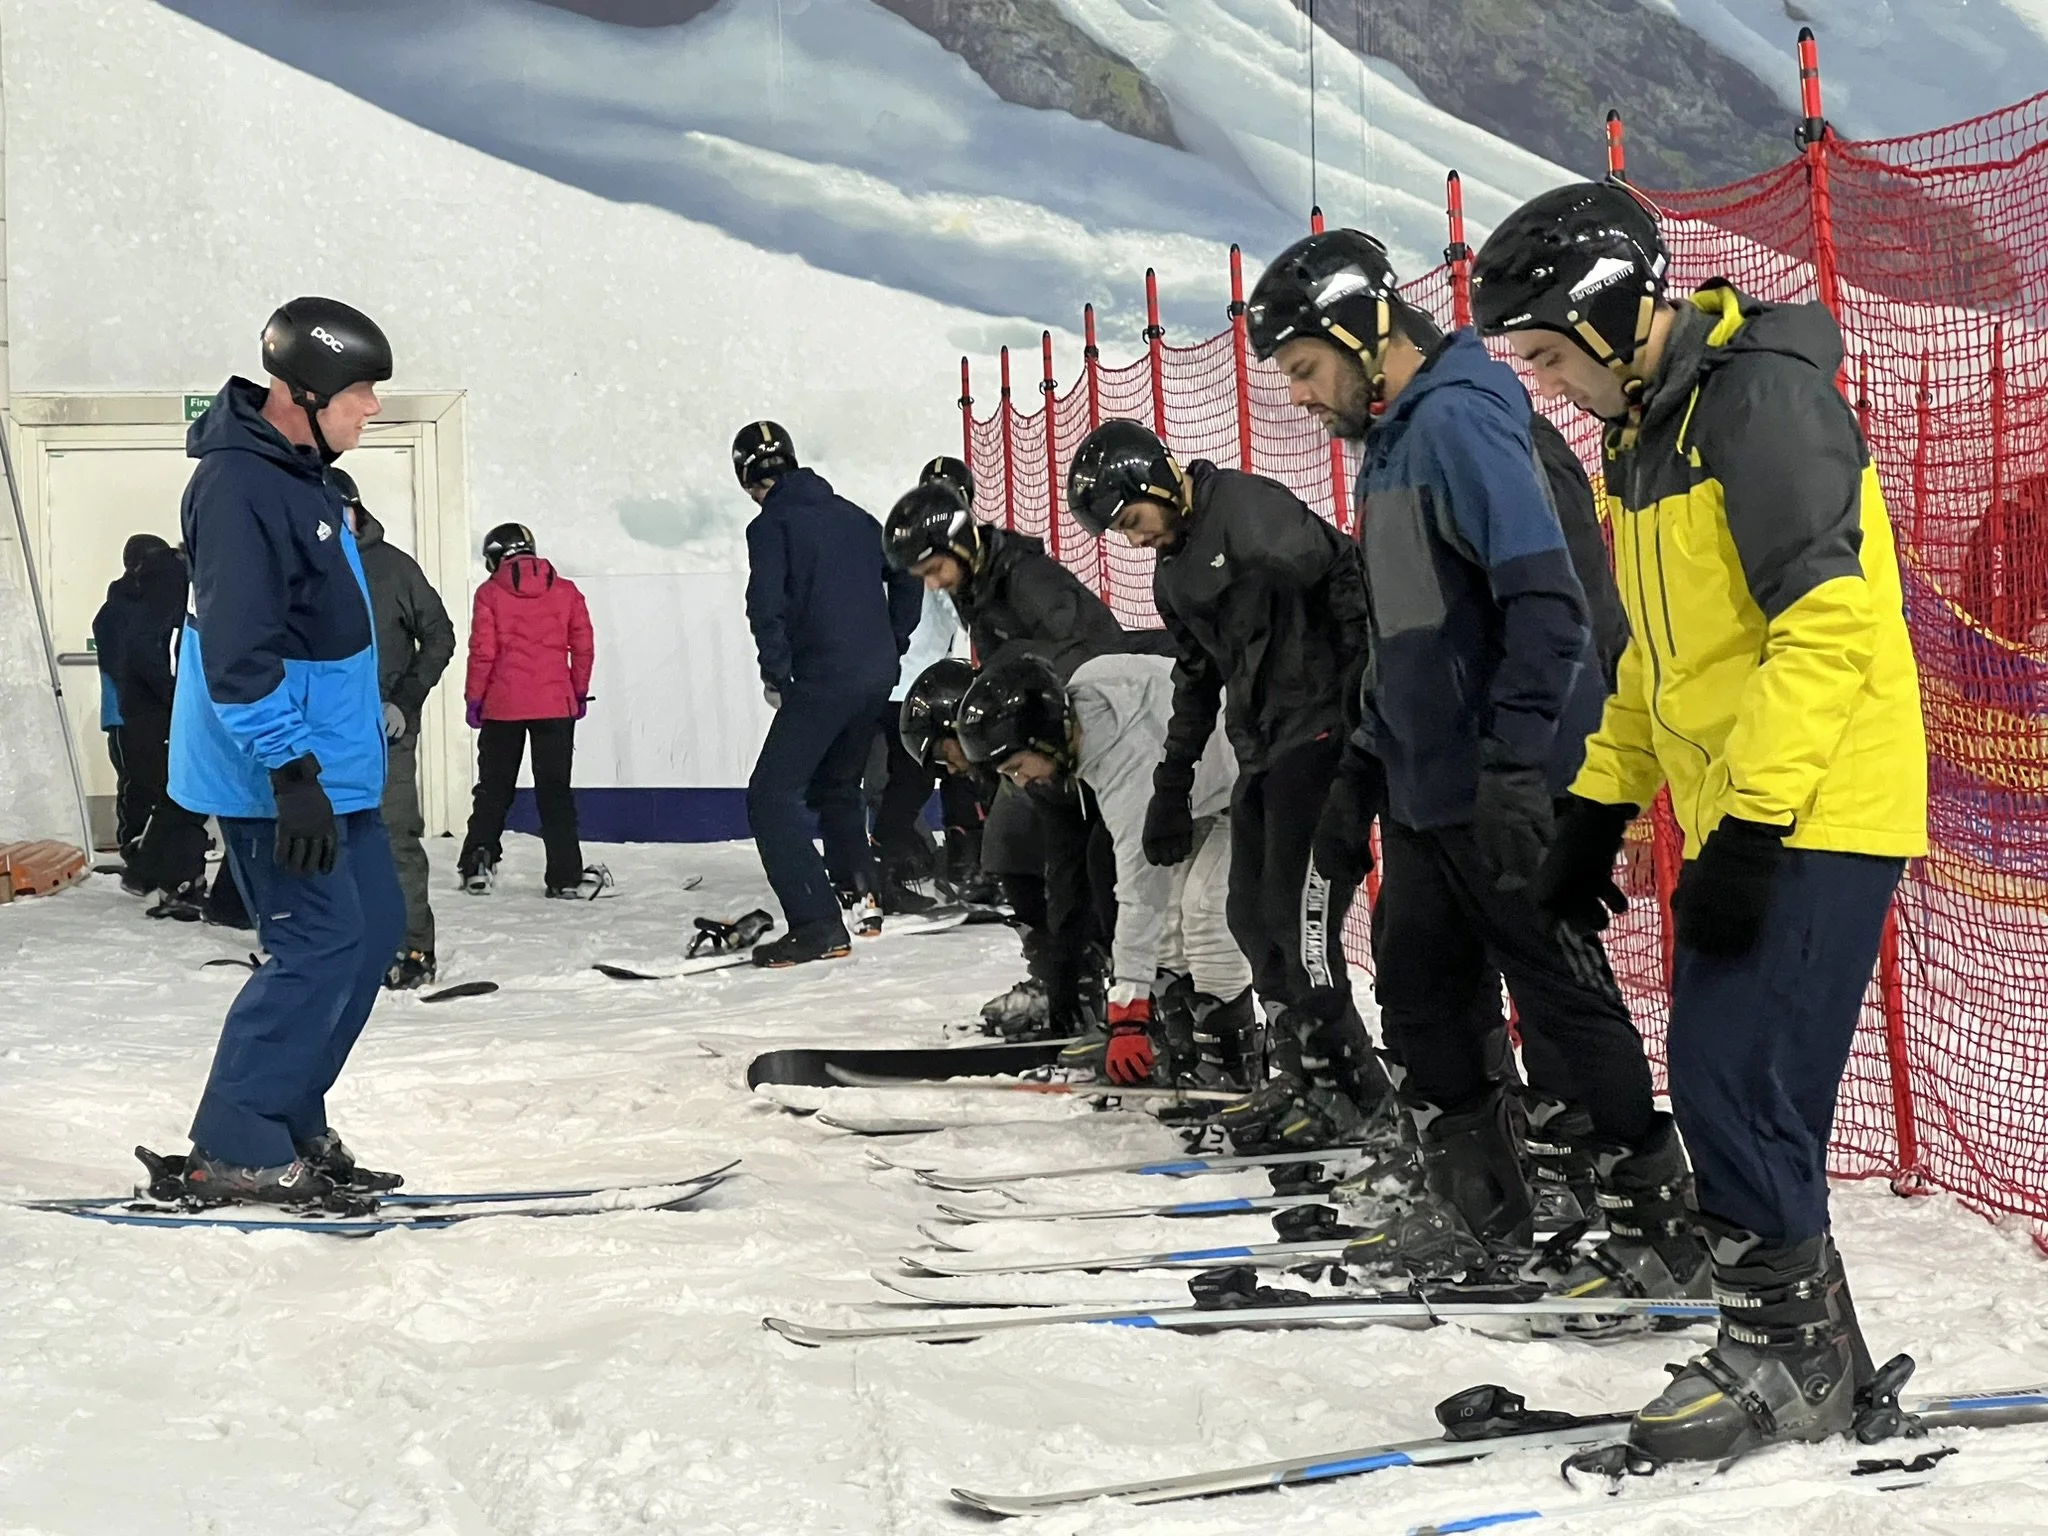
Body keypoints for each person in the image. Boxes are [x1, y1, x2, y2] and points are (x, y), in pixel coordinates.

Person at [1473, 181, 1927, 1466]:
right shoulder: (1646, 435)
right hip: (1753, 803)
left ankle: (1788, 1359)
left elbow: (1827, 626)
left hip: (1818, 801)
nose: (1551, 384)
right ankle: (1802, 1342)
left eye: (1553, 355)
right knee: (1733, 1079)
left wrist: (1755, 828)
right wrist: (1593, 807)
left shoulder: (1758, 404)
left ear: (1615, 320)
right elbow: (1655, 662)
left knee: (1739, 1082)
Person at [1243, 227, 1691, 1283]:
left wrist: (1511, 765)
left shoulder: (1457, 424)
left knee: (1563, 1004)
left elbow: (1547, 607)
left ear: (1364, 332)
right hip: (1425, 783)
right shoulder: (1393, 444)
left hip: (1505, 778)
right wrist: (1361, 765)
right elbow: (1409, 634)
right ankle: (1480, 1203)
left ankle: (1656, 1226)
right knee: (1421, 1000)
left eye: (1305, 369)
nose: (1300, 397)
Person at [1064, 420, 1392, 1149]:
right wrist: (1171, 786)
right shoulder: (1174, 572)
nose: (1133, 538)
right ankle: (1307, 1074)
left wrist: (1363, 716)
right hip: (1265, 745)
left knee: (1301, 924)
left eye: (1131, 520)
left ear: (1154, 483)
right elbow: (1195, 675)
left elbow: (1347, 579)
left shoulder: (1246, 514)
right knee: (1250, 916)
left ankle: (1360, 1097)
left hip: (1323, 734)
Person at [168, 297, 403, 1205]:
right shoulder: (237, 487)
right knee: (317, 948)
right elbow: (237, 655)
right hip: (276, 771)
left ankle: (292, 1118)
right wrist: (290, 773)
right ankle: (233, 1141)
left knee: (372, 933)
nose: (372, 408)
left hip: (332, 768)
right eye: (361, 392)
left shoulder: (306, 474)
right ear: (302, 393)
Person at [884, 481, 1151, 1037]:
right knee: (1024, 858)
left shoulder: (1027, 577)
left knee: (1095, 866)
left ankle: (1118, 991)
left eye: (934, 569)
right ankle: (1067, 980)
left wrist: (1008, 677)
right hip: (1049, 748)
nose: (933, 585)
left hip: (1096, 743)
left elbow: (1096, 649)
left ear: (959, 545)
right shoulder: (979, 587)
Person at [956, 653, 1251, 1086]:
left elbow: (1138, 891)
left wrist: (1126, 1018)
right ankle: (1183, 1050)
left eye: (1017, 767)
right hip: (1205, 796)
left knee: (1204, 915)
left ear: (1042, 740)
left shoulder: (1126, 767)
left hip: (1256, 786)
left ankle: (1231, 1072)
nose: (1020, 782)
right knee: (1169, 928)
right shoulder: (1087, 691)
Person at [739, 421, 922, 965]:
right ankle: (862, 892)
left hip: (823, 676)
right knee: (839, 784)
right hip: (875, 676)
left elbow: (765, 605)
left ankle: (816, 923)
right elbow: (908, 574)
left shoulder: (771, 526)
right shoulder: (856, 517)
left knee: (770, 797)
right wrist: (894, 639)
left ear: (747, 479)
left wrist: (777, 673)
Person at [328, 468, 456, 987]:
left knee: (394, 837)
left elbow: (441, 636)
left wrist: (405, 699)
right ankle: (338, 945)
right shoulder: (301, 569)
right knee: (328, 840)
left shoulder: (394, 568)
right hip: (324, 733)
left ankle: (413, 947)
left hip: (386, 734)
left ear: (356, 510)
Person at [458, 523, 601, 899]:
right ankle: (565, 876)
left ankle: (478, 864)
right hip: (555, 706)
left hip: (502, 706)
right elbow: (583, 647)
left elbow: (483, 653)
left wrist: (475, 698)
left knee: (493, 789)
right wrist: (578, 692)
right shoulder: (567, 591)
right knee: (555, 791)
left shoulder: (489, 593)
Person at [93, 532, 171, 852]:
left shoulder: (155, 605)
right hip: (127, 715)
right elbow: (126, 664)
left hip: (157, 712)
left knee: (161, 784)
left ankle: (157, 851)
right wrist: (167, 688)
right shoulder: (116, 611)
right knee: (137, 785)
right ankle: (132, 849)